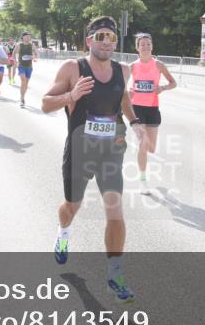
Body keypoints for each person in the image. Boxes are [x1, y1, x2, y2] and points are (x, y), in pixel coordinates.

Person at [41, 16, 148, 304]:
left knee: (115, 211)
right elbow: (45, 103)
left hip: (111, 151)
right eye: (100, 36)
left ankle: (115, 274)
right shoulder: (73, 68)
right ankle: (63, 232)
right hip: (79, 151)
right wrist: (70, 94)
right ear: (89, 40)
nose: (106, 42)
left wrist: (135, 122)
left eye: (110, 37)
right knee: (71, 206)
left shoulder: (123, 70)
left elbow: (122, 98)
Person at [129, 33, 177, 191]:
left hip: (153, 109)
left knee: (151, 148)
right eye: (142, 44)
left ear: (152, 46)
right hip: (137, 109)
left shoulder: (158, 65)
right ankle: (143, 180)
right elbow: (120, 85)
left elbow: (173, 83)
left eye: (148, 44)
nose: (145, 47)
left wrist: (162, 88)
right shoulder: (133, 66)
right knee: (143, 144)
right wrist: (128, 92)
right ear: (137, 48)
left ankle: (143, 155)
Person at [16, 31, 38, 108]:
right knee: (23, 80)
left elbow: (36, 53)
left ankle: (23, 96)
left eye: (29, 36)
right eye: (27, 36)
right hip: (21, 66)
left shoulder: (32, 45)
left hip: (29, 66)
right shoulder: (19, 45)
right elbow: (14, 53)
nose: (29, 38)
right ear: (23, 37)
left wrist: (34, 58)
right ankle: (22, 99)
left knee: (26, 84)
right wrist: (15, 61)